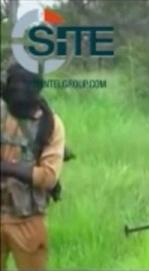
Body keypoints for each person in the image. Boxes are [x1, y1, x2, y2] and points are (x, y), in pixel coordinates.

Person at [0, 63, 66, 270]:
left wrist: (6, 168)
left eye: (25, 84)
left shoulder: (50, 124)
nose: (19, 89)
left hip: (26, 216)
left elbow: (48, 177)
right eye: (15, 83)